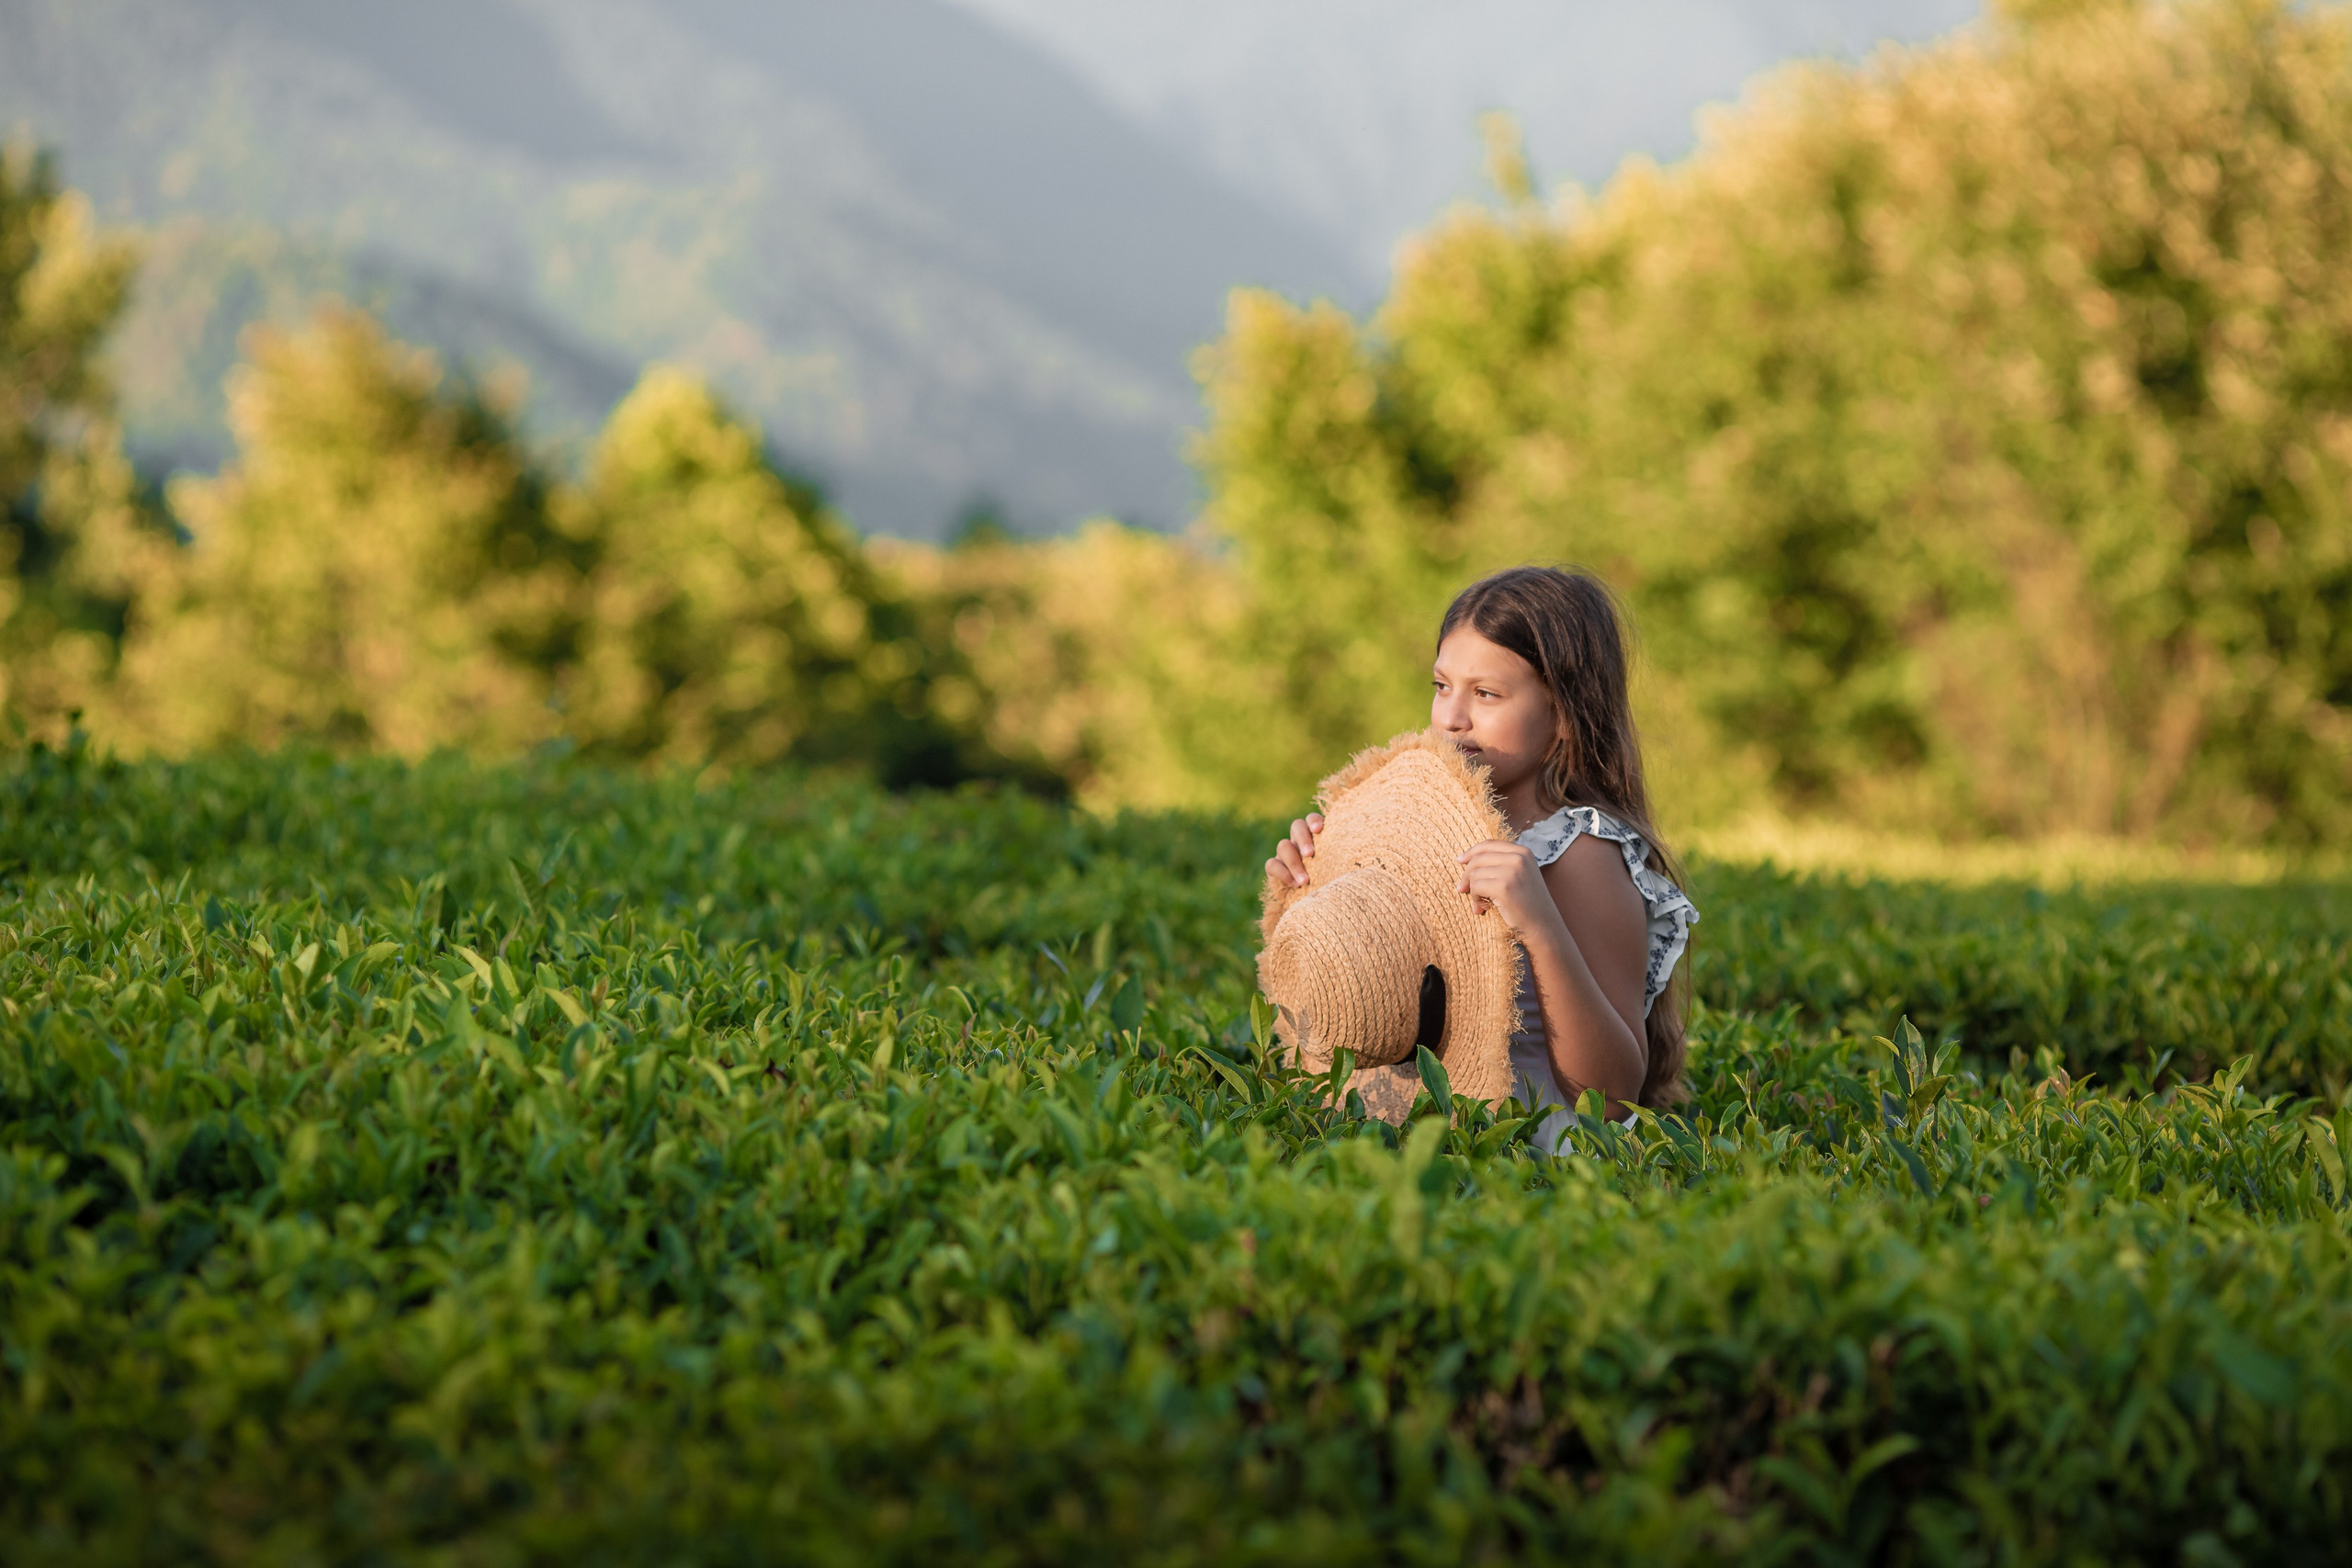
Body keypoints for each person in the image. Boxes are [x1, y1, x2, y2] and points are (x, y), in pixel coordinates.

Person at [1265, 566, 1697, 1149]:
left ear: (1565, 716)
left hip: (1526, 1153)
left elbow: (1613, 1095)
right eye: (1442, 686)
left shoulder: (1579, 852)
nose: (1452, 717)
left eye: (1486, 694)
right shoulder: (1418, 827)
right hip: (1408, 1129)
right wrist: (1320, 884)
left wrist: (1540, 923)